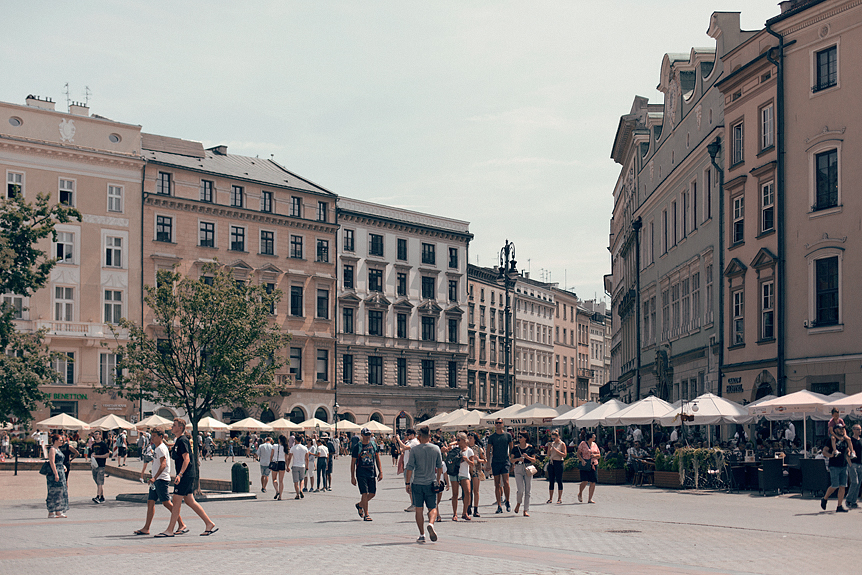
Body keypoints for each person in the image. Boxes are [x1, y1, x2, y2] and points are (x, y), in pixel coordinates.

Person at [157, 418, 217, 537]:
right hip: (187, 474)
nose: (172, 427)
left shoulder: (183, 440)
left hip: (185, 475)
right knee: (190, 501)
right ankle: (209, 523)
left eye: (174, 425)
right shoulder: (179, 440)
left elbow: (187, 459)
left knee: (176, 500)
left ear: (180, 428)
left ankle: (170, 530)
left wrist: (180, 474)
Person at [134, 429, 186, 536]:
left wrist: (155, 477)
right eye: (152, 436)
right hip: (156, 480)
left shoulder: (161, 449)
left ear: (161, 437)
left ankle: (181, 524)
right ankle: (146, 528)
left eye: (154, 436)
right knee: (150, 502)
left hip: (161, 480)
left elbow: (163, 464)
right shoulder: (157, 448)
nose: (152, 438)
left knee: (166, 503)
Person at [405, 426, 443, 543]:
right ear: (430, 436)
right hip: (431, 483)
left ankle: (422, 535)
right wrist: (437, 480)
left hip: (417, 483)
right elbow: (440, 467)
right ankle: (431, 523)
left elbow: (409, 468)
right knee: (433, 507)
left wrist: (407, 483)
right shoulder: (436, 449)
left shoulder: (415, 450)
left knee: (419, 510)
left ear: (419, 436)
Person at [351, 427, 382, 522]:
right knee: (364, 493)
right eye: (366, 434)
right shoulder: (358, 446)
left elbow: (377, 458)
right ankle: (366, 514)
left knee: (372, 493)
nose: (368, 436)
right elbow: (353, 462)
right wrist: (352, 476)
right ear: (362, 435)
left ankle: (360, 505)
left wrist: (380, 471)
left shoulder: (373, 445)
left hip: (372, 472)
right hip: (361, 473)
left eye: (369, 434)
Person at [821, 423, 853, 513]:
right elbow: (824, 451)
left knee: (843, 486)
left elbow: (847, 451)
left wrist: (850, 454)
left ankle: (839, 506)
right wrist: (830, 455)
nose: (842, 430)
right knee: (835, 485)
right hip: (834, 466)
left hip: (843, 465)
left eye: (843, 429)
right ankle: (825, 498)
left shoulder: (845, 440)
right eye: (840, 429)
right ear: (835, 430)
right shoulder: (831, 439)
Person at [486, 419, 513, 514]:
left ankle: (507, 501)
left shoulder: (507, 435)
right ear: (495, 424)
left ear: (503, 424)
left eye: (500, 423)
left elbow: (512, 449)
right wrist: (488, 463)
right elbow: (488, 450)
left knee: (506, 482)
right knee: (497, 484)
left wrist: (512, 461)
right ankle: (499, 505)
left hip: (505, 461)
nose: (498, 424)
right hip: (495, 462)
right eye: (497, 423)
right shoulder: (492, 437)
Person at [511, 431, 536, 517]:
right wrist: (518, 459)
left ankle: (525, 510)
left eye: (521, 437)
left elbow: (534, 460)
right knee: (520, 490)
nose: (519, 438)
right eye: (518, 437)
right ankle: (518, 503)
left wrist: (527, 457)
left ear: (525, 438)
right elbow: (511, 460)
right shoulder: (515, 448)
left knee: (528, 490)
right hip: (518, 468)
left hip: (528, 468)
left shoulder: (530, 447)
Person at [451, 432, 473, 521]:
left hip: (464, 473)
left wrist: (466, 459)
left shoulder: (469, 450)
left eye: (459, 440)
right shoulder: (454, 449)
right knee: (455, 494)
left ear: (464, 440)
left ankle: (465, 512)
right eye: (457, 439)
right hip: (455, 473)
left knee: (467, 491)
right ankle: (455, 513)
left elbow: (472, 464)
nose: (457, 441)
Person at [46, 433, 69, 519]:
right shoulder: (52, 449)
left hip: (61, 472)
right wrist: (56, 474)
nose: (62, 442)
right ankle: (51, 512)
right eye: (60, 440)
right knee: (53, 492)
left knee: (60, 492)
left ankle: (58, 511)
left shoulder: (58, 449)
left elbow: (59, 461)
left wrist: (63, 466)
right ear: (55, 441)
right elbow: (52, 462)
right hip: (54, 473)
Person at [399, 429, 419, 511]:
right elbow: (402, 449)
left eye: (408, 434)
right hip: (407, 466)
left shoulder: (414, 442)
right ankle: (413, 503)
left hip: (412, 467)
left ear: (413, 434)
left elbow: (404, 447)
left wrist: (398, 439)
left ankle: (415, 504)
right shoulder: (409, 442)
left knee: (411, 486)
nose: (407, 436)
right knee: (409, 486)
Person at [577, 432, 600, 504]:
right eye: (594, 436)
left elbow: (599, 455)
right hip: (585, 464)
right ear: (590, 437)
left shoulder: (595, 445)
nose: (595, 437)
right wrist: (582, 460)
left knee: (593, 482)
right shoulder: (583, 444)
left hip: (593, 464)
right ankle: (580, 493)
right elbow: (578, 453)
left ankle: (590, 499)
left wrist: (595, 456)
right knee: (585, 481)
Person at [468, 432, 485, 517]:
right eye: (469, 438)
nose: (469, 439)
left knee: (476, 491)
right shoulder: (465, 448)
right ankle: (468, 507)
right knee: (467, 491)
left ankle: (476, 509)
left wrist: (478, 459)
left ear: (475, 439)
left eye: (471, 438)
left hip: (476, 470)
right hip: (467, 471)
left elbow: (484, 460)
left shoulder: (478, 449)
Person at [546, 430, 565, 504]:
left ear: (558, 437)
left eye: (554, 438)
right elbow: (548, 455)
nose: (553, 440)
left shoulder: (562, 444)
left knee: (559, 480)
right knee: (551, 480)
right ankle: (550, 498)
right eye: (552, 438)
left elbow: (564, 455)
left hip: (559, 462)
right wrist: (548, 448)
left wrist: (556, 450)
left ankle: (559, 498)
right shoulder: (552, 444)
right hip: (552, 462)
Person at [90, 431, 110, 504]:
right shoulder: (93, 445)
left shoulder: (103, 444)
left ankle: (98, 496)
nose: (95, 436)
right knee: (97, 481)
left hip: (101, 465)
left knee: (100, 481)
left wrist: (97, 456)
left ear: (100, 435)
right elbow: (92, 453)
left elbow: (107, 455)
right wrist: (92, 455)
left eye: (96, 434)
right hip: (95, 465)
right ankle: (102, 497)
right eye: (94, 434)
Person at [287, 436, 309, 500]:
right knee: (302, 479)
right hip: (302, 465)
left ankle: (297, 494)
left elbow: (289, 458)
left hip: (295, 465)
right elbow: (307, 458)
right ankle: (301, 489)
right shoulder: (305, 448)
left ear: (296, 440)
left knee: (295, 481)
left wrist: (287, 466)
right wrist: (307, 466)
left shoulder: (293, 448)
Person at [847, 424, 862, 509]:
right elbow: (847, 452)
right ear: (853, 430)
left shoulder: (861, 440)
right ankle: (848, 499)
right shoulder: (850, 440)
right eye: (858, 429)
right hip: (853, 463)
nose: (859, 431)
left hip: (860, 463)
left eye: (860, 429)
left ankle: (854, 501)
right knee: (854, 482)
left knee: (859, 483)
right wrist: (850, 463)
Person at [271, 435, 288, 501]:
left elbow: (271, 455)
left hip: (275, 462)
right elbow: (286, 458)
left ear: (279, 440)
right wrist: (287, 466)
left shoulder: (274, 446)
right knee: (281, 481)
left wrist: (270, 463)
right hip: (282, 463)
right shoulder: (285, 447)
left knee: (274, 479)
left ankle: (277, 490)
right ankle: (280, 496)